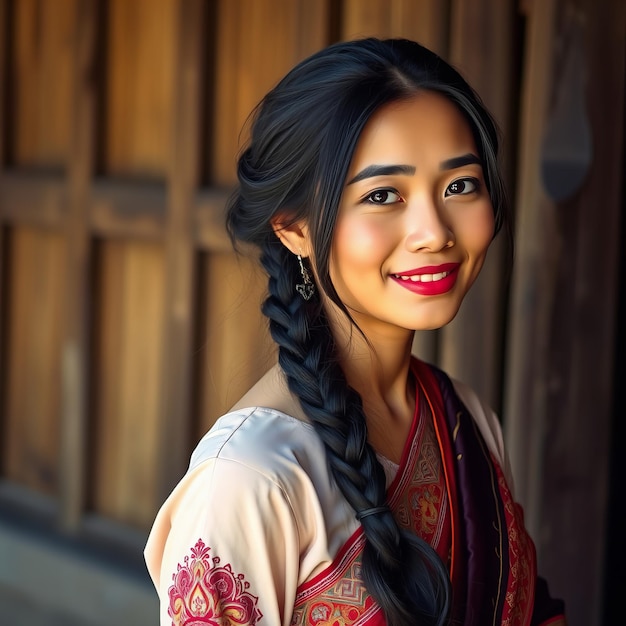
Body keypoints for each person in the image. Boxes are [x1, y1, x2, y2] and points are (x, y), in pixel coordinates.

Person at [145, 38, 566, 626]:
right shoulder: (251, 479)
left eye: (460, 186)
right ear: (292, 228)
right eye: (383, 195)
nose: (433, 231)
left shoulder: (467, 420)